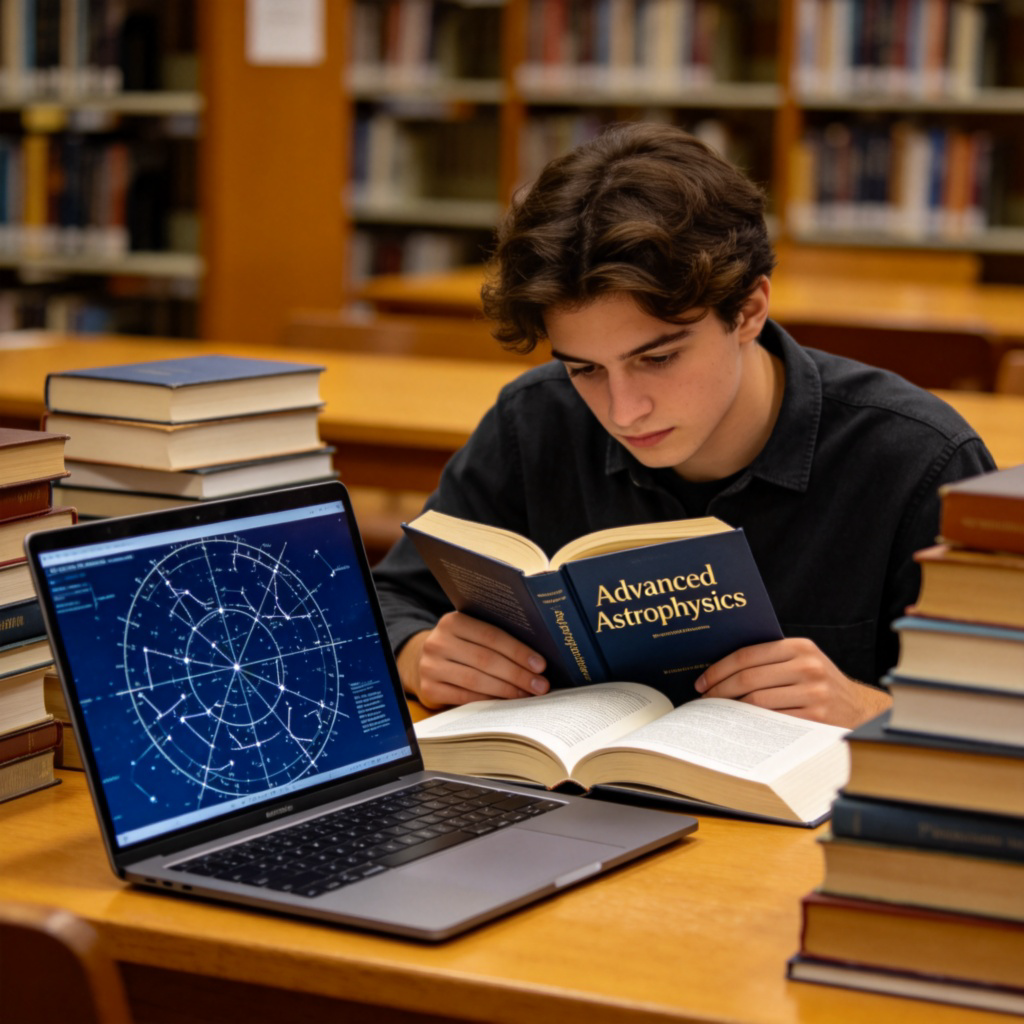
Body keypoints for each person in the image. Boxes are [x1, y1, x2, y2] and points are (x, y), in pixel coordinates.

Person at [371, 122, 995, 728]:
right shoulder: (533, 421)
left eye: (659, 358)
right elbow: (393, 599)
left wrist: (866, 710)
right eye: (586, 369)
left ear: (748, 310)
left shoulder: (920, 463)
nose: (623, 410)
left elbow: (998, 713)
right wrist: (419, 654)